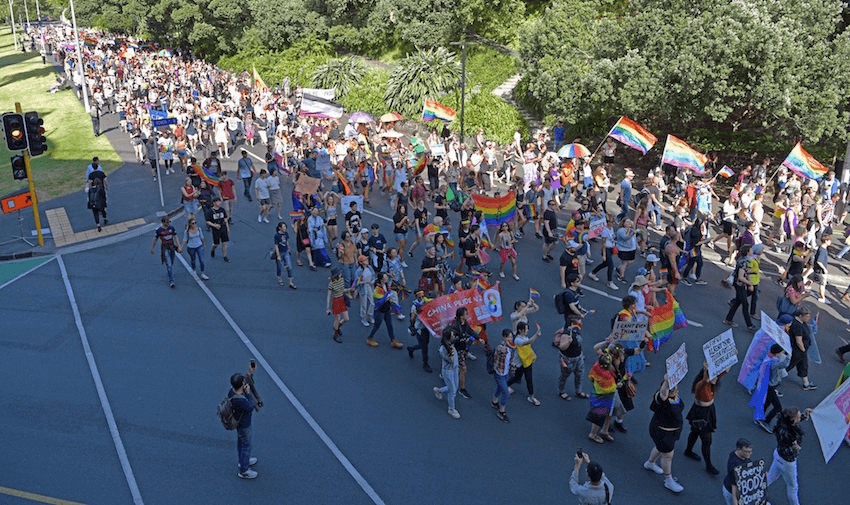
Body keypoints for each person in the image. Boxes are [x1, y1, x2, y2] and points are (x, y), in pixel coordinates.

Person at [683, 361, 732, 475]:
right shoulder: (701, 384)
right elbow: (706, 379)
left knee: (695, 432)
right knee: (706, 440)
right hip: (700, 413)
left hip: (708, 410)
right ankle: (708, 465)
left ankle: (688, 450)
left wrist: (731, 356)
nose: (716, 379)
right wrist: (706, 370)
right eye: (713, 377)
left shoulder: (713, 380)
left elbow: (725, 370)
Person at [643, 375, 685, 493]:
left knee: (659, 449)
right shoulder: (662, 398)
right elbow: (663, 393)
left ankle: (650, 463)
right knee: (667, 455)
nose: (673, 389)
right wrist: (667, 382)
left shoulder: (675, 396)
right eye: (670, 387)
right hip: (662, 433)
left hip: (671, 432)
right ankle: (668, 480)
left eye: (675, 387)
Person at [767, 406, 813, 505]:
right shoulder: (790, 435)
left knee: (769, 478)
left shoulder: (782, 424)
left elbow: (792, 424)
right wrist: (796, 448)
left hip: (778, 456)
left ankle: (753, 494)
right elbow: (789, 451)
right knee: (793, 487)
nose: (800, 417)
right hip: (787, 463)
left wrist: (804, 415)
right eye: (798, 416)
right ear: (793, 420)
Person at [228, 372, 259, 479]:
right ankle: (244, 470)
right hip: (244, 424)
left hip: (238, 422)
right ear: (241, 385)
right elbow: (250, 407)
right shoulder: (241, 400)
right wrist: (248, 393)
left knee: (241, 443)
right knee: (246, 445)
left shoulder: (231, 393)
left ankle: (243, 461)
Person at [506, 321, 542, 406]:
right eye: (525, 329)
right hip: (520, 362)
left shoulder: (524, 337)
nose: (527, 331)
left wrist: (533, 354)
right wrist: (536, 335)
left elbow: (528, 346)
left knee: (528, 378)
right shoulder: (518, 339)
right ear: (520, 330)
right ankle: (506, 385)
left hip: (526, 361)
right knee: (517, 377)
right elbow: (528, 343)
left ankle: (532, 396)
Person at [365, 273, 404, 349]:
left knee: (389, 325)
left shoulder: (386, 285)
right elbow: (380, 300)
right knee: (377, 326)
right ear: (381, 279)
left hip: (386, 309)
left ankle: (393, 340)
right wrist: (387, 296)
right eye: (385, 277)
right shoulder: (377, 289)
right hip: (379, 310)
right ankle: (369, 338)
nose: (387, 278)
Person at [723, 244, 757, 332]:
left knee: (738, 302)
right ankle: (749, 325)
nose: (752, 251)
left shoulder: (742, 260)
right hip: (740, 285)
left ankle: (728, 319)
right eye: (751, 250)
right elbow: (741, 277)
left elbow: (745, 272)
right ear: (748, 252)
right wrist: (749, 283)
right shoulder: (744, 262)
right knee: (745, 304)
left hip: (738, 284)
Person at [556, 320, 589, 401]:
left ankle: (578, 391)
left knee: (580, 375)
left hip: (578, 356)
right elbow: (562, 347)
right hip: (568, 359)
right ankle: (561, 391)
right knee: (564, 375)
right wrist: (568, 342)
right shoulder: (566, 333)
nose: (581, 323)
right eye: (579, 321)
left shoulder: (576, 331)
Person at [786, 305, 817, 390]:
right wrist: (803, 350)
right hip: (798, 351)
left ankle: (806, 384)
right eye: (807, 316)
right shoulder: (798, 326)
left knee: (803, 365)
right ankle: (772, 379)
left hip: (801, 351)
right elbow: (799, 341)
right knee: (789, 366)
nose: (808, 318)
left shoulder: (800, 322)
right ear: (800, 316)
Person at [433, 330, 461, 419]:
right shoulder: (444, 349)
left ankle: (439, 390)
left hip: (455, 369)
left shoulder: (449, 345)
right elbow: (451, 360)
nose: (454, 336)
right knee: (452, 392)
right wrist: (452, 350)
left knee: (455, 388)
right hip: (448, 372)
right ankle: (451, 409)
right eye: (452, 335)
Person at [407, 288, 433, 373]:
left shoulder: (425, 301)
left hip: (426, 327)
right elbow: (412, 319)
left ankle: (412, 348)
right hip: (419, 329)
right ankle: (425, 363)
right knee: (424, 347)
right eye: (419, 295)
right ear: (416, 296)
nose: (421, 296)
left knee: (425, 344)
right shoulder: (415, 305)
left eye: (422, 294)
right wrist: (414, 314)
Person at [151, 216, 181, 288]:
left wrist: (179, 245)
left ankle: (169, 271)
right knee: (169, 265)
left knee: (171, 262)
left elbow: (175, 236)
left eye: (169, 222)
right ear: (163, 222)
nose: (168, 224)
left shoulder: (171, 228)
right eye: (167, 222)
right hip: (165, 248)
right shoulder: (159, 230)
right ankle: (171, 280)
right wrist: (152, 248)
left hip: (172, 247)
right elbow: (155, 239)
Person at [491, 328, 513, 423]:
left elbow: (509, 359)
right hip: (499, 373)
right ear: (504, 337)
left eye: (512, 337)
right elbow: (501, 351)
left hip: (505, 372)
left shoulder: (510, 348)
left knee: (500, 388)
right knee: (506, 393)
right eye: (509, 337)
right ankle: (501, 411)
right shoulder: (501, 347)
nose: (511, 339)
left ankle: (494, 401)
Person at [722, 439, 754, 505]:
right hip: (732, 491)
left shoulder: (739, 455)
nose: (749, 454)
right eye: (746, 452)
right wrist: (735, 502)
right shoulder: (735, 467)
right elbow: (734, 488)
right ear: (738, 449)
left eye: (750, 451)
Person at [326, 267, 349, 343]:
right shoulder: (331, 284)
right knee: (338, 319)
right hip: (336, 301)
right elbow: (329, 296)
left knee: (346, 319)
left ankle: (337, 327)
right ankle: (335, 335)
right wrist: (327, 308)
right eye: (339, 273)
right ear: (337, 275)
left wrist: (349, 290)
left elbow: (342, 290)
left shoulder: (341, 280)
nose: (341, 274)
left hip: (342, 299)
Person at [207, 198, 231, 263]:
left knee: (224, 243)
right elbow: (208, 221)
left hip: (223, 228)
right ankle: (213, 249)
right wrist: (215, 225)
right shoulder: (210, 211)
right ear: (214, 203)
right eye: (218, 202)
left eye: (220, 201)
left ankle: (225, 256)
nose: (219, 203)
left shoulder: (222, 210)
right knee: (216, 244)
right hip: (216, 230)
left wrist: (227, 228)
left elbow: (225, 219)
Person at [274, 221, 296, 289]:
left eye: (285, 226)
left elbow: (286, 242)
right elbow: (276, 246)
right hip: (280, 253)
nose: (285, 228)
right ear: (280, 228)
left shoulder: (286, 234)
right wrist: (278, 256)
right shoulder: (277, 235)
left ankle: (290, 282)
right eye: (283, 227)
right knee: (280, 267)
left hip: (286, 252)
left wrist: (289, 249)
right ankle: (279, 277)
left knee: (289, 267)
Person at [86, 168, 108, 232]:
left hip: (93, 203)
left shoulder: (91, 190)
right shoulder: (100, 189)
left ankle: (98, 225)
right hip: (100, 203)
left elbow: (89, 196)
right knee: (103, 210)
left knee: (95, 214)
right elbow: (104, 197)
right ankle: (105, 218)